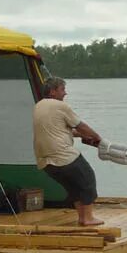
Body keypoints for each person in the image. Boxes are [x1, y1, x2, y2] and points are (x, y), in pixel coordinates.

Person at [32, 76, 104, 226]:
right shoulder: (60, 106)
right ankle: (89, 218)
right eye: (62, 89)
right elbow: (80, 126)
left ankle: (82, 218)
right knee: (88, 179)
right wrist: (97, 137)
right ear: (52, 92)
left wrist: (82, 136)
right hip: (63, 156)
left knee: (74, 187)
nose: (65, 93)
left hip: (45, 162)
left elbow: (60, 130)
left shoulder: (38, 106)